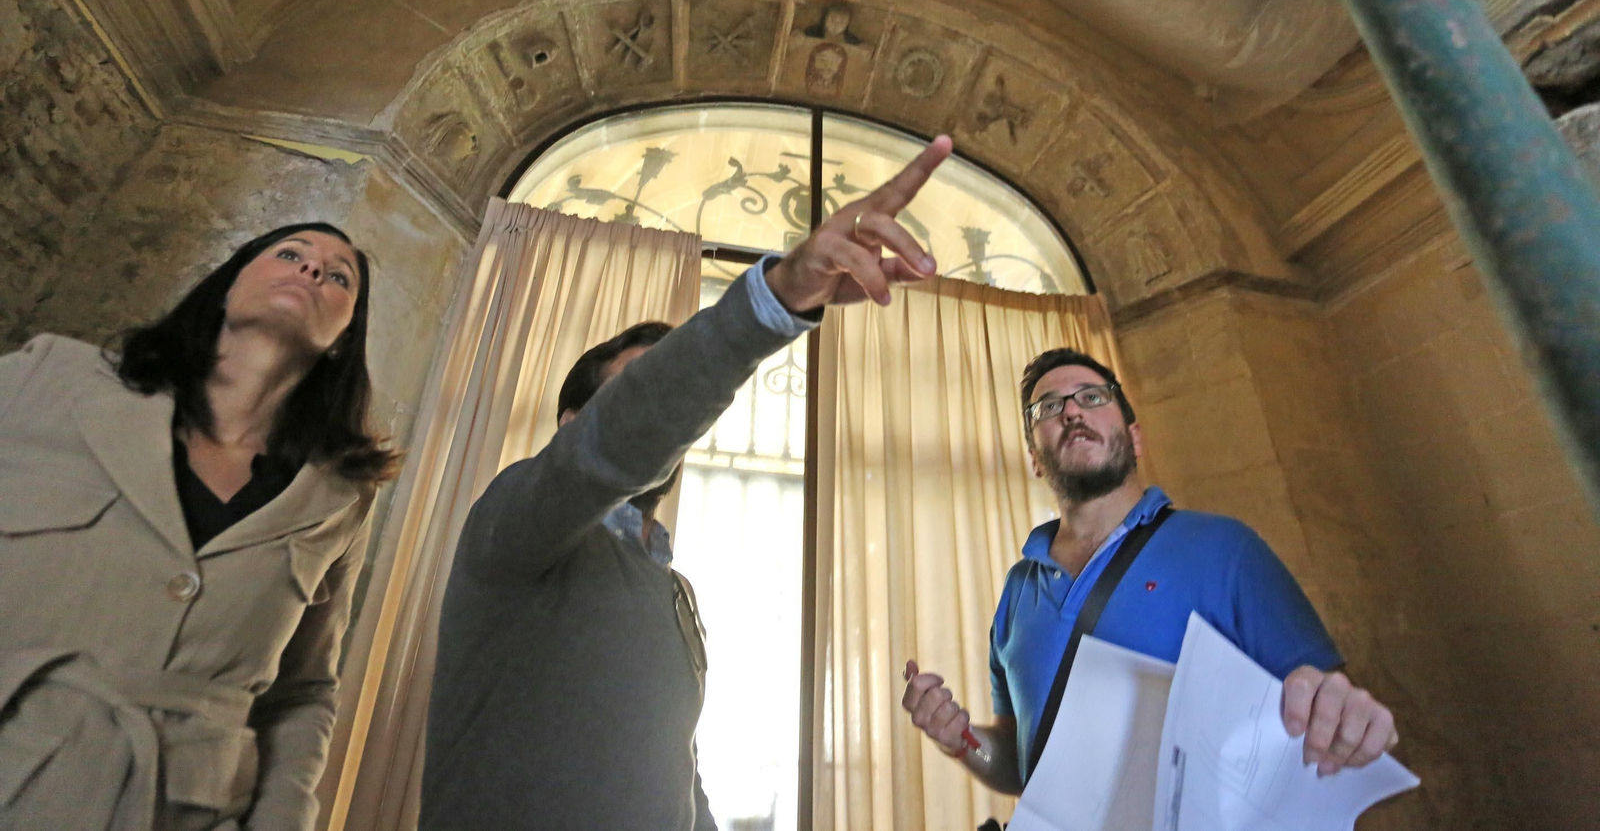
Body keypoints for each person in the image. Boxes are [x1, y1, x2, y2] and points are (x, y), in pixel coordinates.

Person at [421, 135, 955, 831]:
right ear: (573, 423)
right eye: (634, 393)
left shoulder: (673, 589)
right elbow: (615, 444)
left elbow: (677, 770)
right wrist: (773, 300)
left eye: (671, 393)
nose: (666, 415)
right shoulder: (515, 524)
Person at [0, 222, 396, 831]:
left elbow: (303, 691)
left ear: (344, 339)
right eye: (290, 253)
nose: (312, 269)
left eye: (338, 276)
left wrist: (282, 820)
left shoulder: (341, 496)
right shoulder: (51, 377)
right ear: (228, 285)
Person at [900, 348, 1398, 796]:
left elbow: (1327, 712)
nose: (1071, 411)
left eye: (1091, 397)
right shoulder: (1017, 589)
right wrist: (960, 740)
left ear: (1134, 438)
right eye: (1048, 407)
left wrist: (1341, 713)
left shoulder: (1224, 548)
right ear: (1034, 457)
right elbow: (1019, 763)